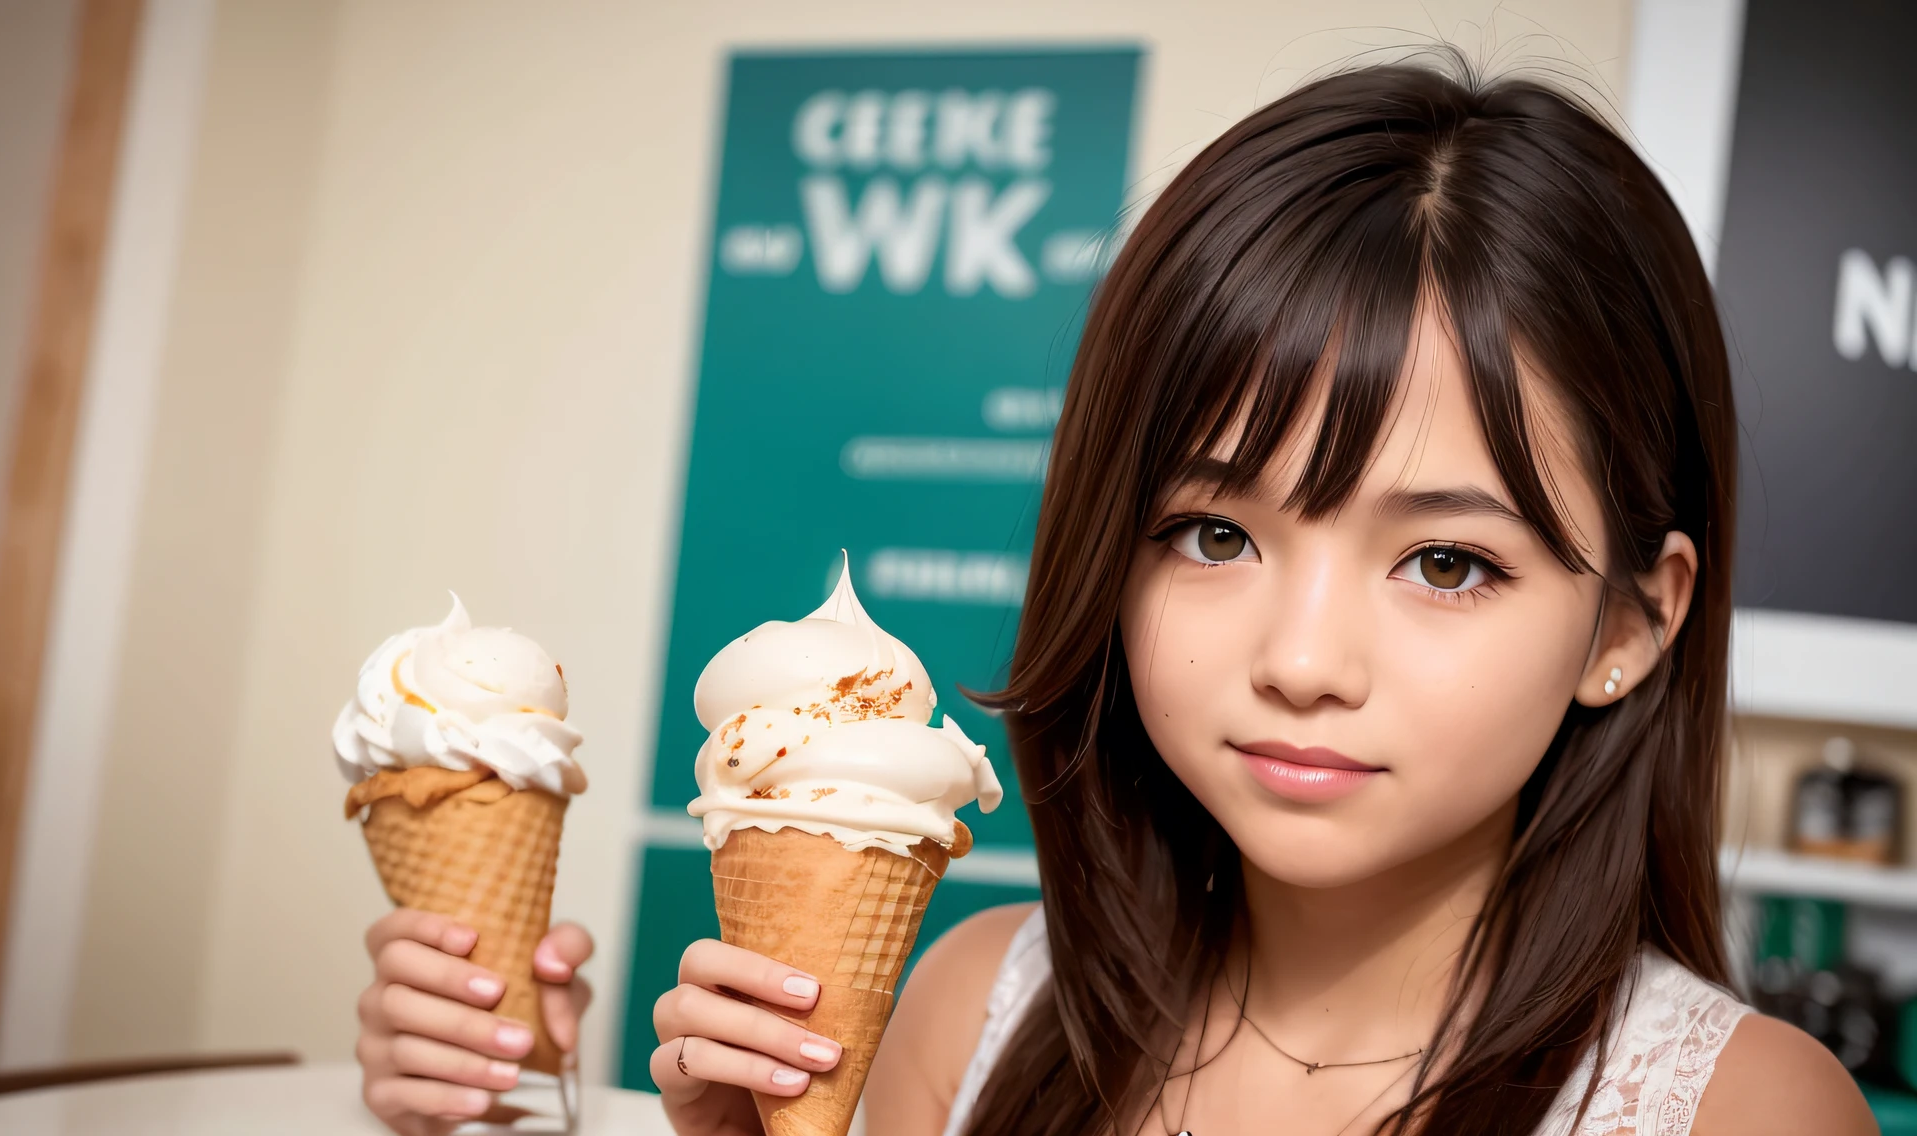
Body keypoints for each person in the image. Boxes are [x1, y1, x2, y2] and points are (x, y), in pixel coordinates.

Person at [353, 58, 1878, 1136]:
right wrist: (503, 1111)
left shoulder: (1741, 1112)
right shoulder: (971, 1010)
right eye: (1215, 534)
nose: (1301, 660)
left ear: (1629, 621)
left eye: (1446, 562)